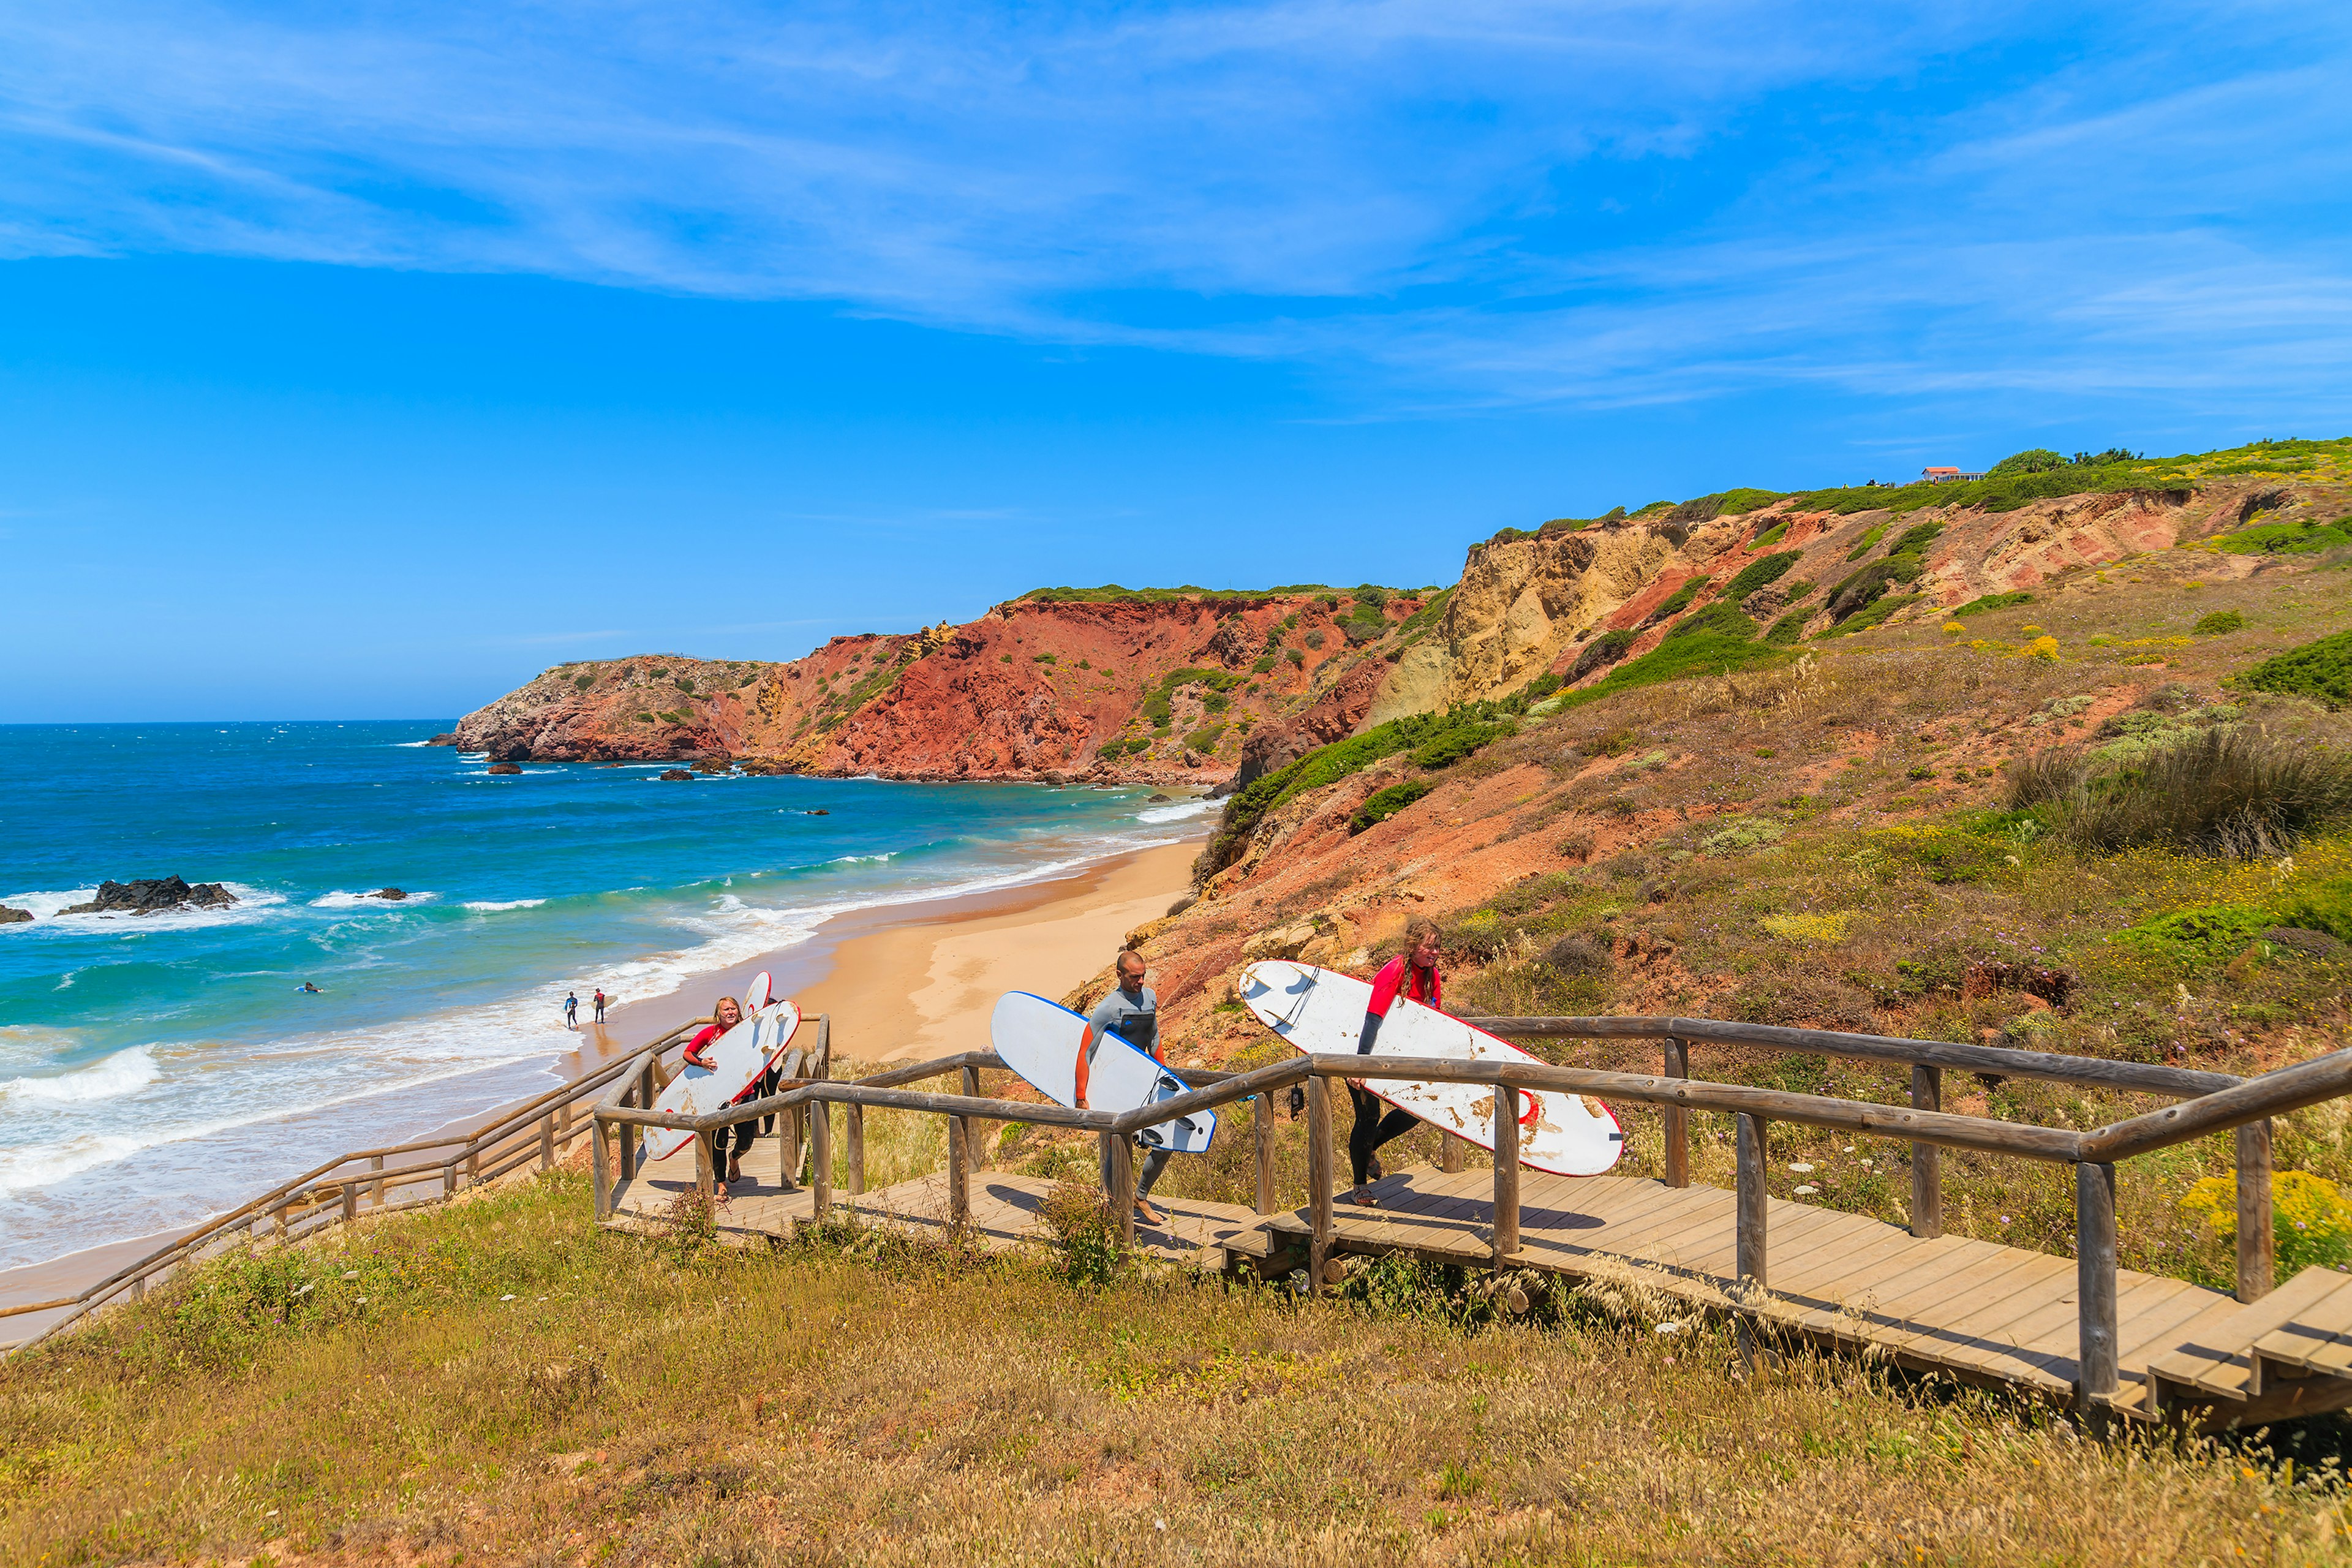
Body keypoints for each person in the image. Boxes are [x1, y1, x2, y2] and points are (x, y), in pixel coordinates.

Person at [1347, 916, 1444, 1207]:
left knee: (1416, 1110)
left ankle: (1370, 1148)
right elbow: (1372, 1020)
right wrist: (1360, 1067)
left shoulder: (1433, 976)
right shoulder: (1394, 972)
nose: (1435, 952)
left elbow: (1433, 1020)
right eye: (1430, 947)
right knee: (1368, 1116)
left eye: (1438, 947)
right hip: (1363, 1051)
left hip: (1399, 1055)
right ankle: (1359, 1186)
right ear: (1413, 946)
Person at [1080, 950, 1172, 1228]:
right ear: (1119, 975)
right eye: (1135, 977)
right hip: (1115, 1088)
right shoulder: (1108, 1008)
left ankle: (1140, 1196)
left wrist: (1164, 1075)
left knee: (1165, 1141)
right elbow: (1087, 1049)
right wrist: (1081, 1095)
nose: (1141, 981)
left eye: (1143, 976)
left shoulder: (1150, 998)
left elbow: (1154, 1038)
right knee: (1115, 1147)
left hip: (1145, 1084)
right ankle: (1113, 1206)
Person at [683, 994, 756, 1185]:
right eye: (726, 1009)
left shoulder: (747, 1031)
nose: (730, 1012)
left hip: (745, 1095)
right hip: (718, 1097)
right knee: (719, 1143)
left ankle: (735, 1158)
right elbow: (688, 1053)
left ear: (739, 1012)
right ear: (719, 1014)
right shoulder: (710, 1033)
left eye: (733, 1009)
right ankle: (721, 1183)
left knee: (747, 1141)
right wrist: (701, 1062)